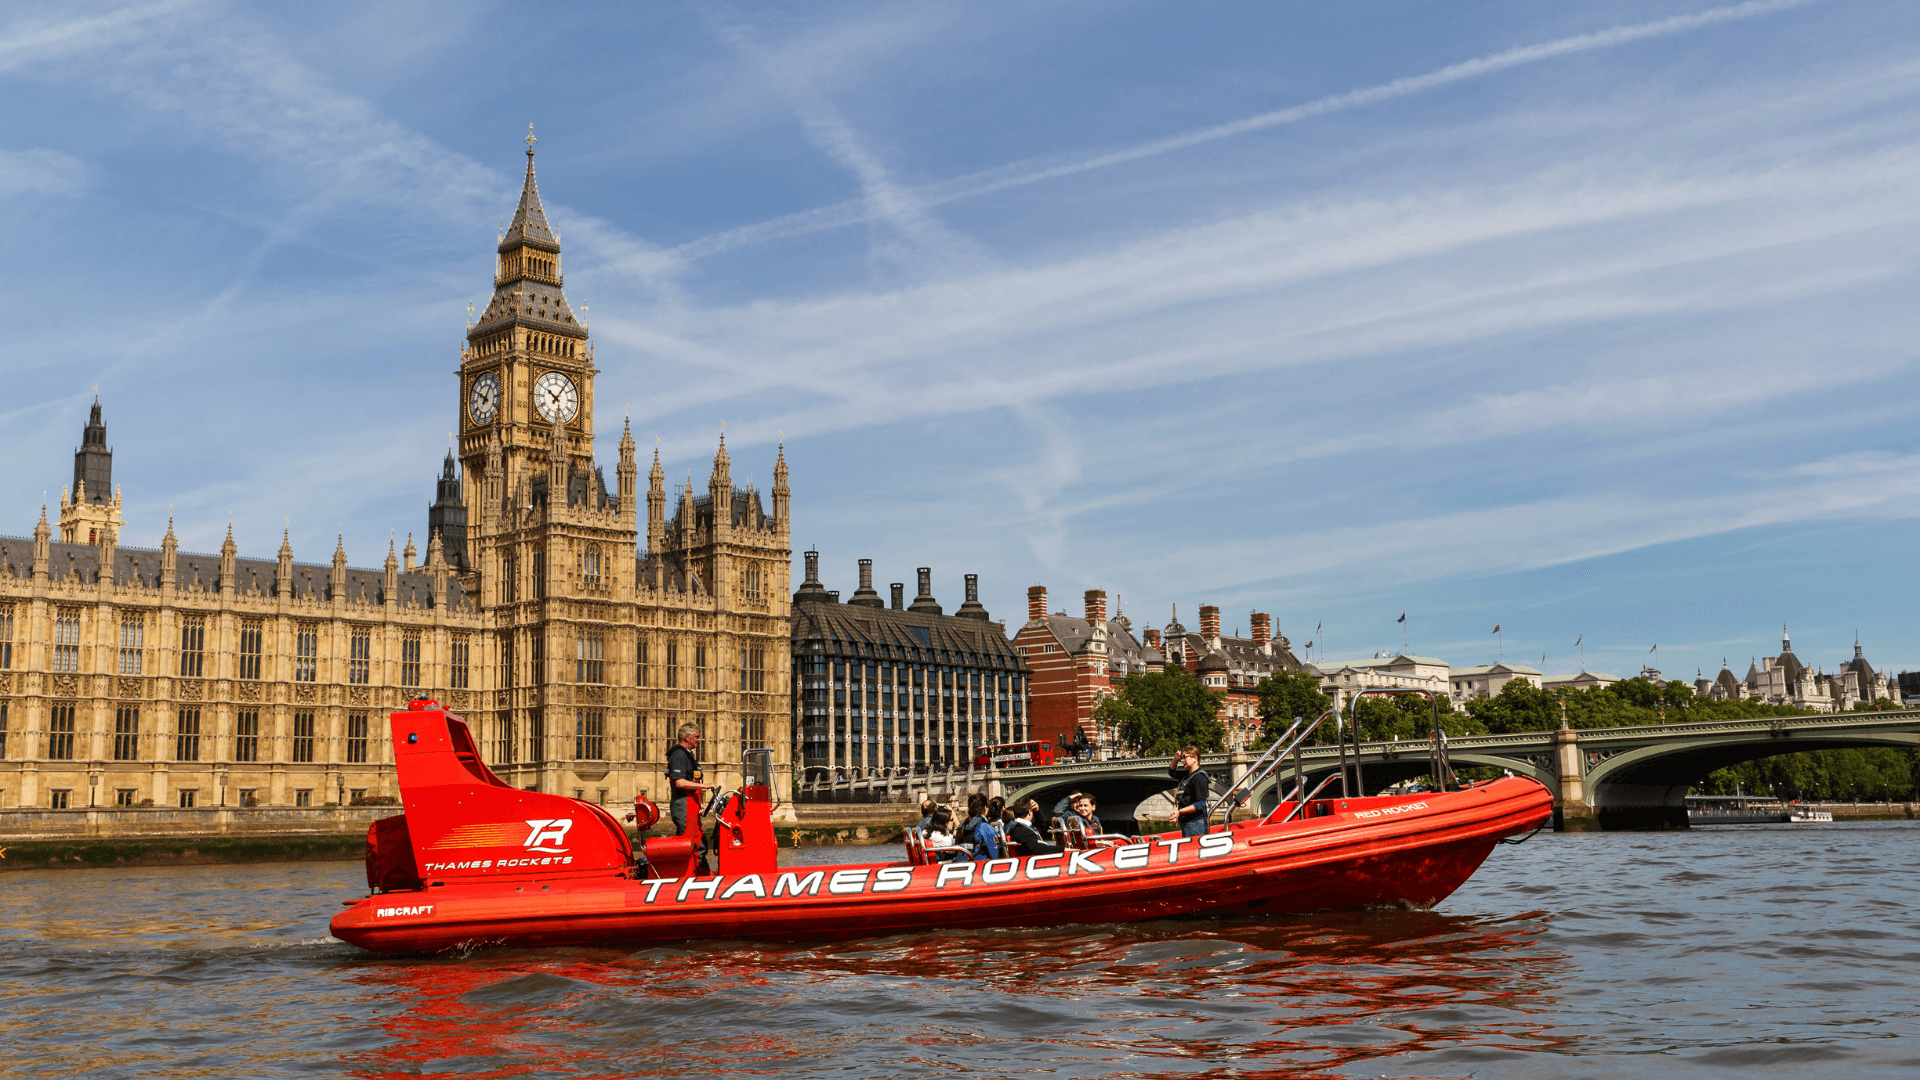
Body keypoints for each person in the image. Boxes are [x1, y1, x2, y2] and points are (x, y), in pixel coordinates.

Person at [665, 723, 717, 869]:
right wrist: (706, 786)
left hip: (691, 804)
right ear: (687, 737)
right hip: (684, 805)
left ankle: (701, 874)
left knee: (699, 841)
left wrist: (698, 802)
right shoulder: (679, 754)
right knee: (688, 843)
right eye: (697, 737)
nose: (699, 740)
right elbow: (680, 782)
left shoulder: (687, 754)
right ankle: (685, 875)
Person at [1170, 745, 1211, 837]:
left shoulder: (1199, 777)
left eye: (1184, 757)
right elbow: (1171, 772)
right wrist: (1175, 759)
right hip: (1188, 822)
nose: (1182, 760)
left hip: (1195, 823)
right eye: (1182, 758)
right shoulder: (1187, 774)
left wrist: (1179, 812)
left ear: (1195, 758)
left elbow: (1200, 804)